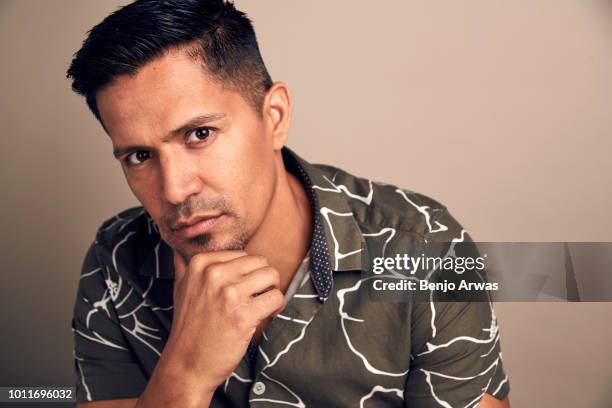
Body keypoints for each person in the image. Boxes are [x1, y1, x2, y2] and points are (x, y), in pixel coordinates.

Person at [67, 1, 510, 406]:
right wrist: (185, 375)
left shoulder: (429, 248)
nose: (175, 190)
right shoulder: (116, 259)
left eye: (199, 134)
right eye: (139, 156)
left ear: (274, 117)